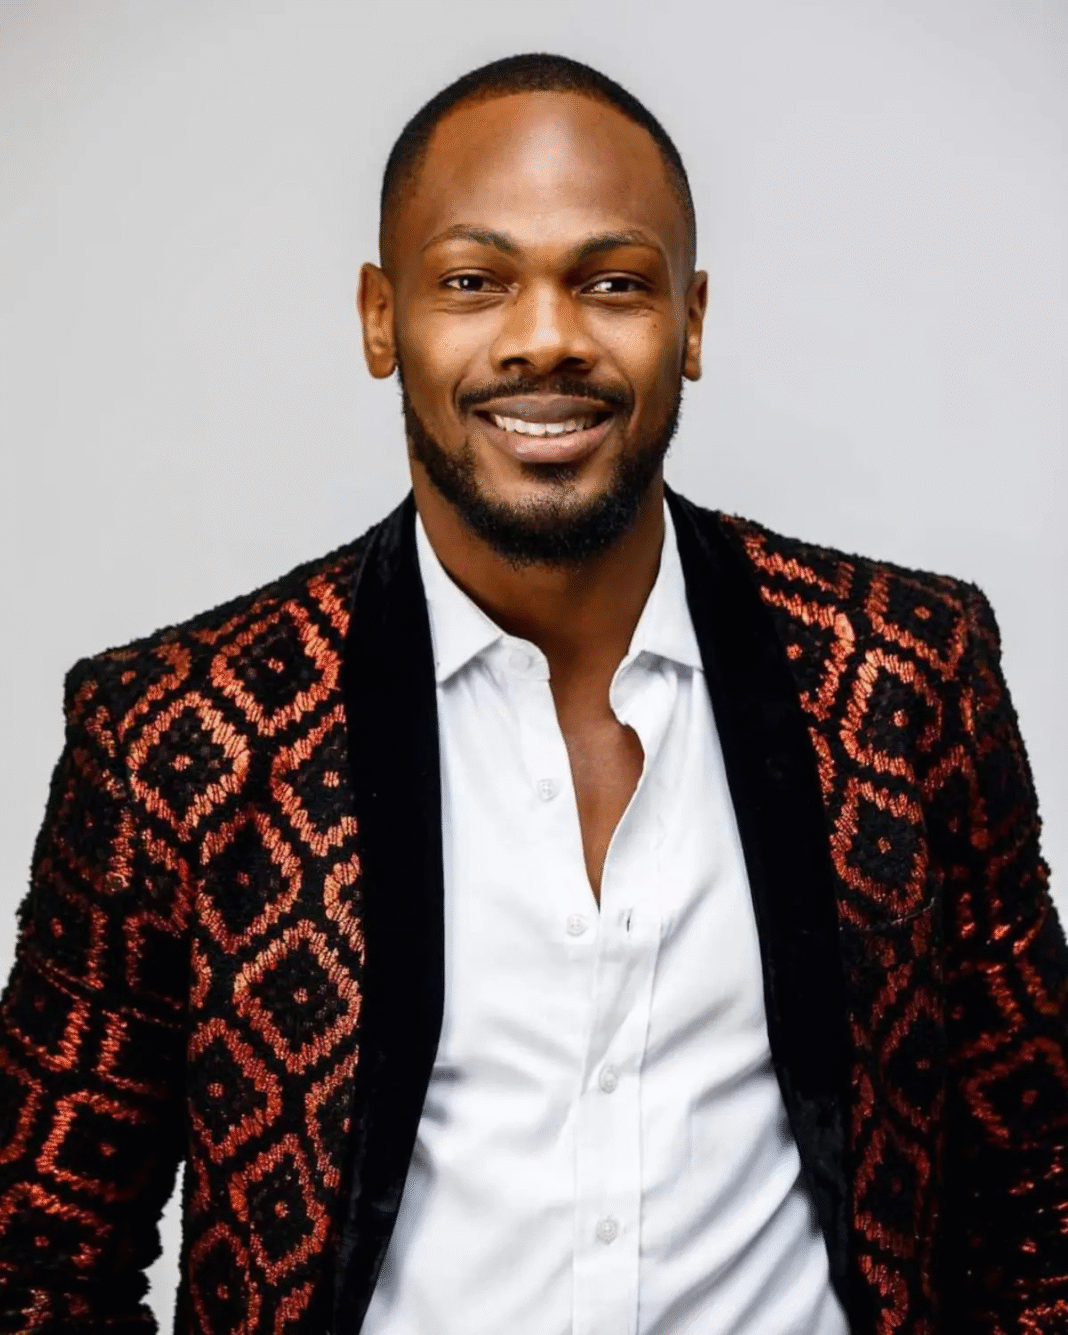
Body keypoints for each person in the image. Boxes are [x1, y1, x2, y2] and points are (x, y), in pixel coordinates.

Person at [0, 50, 1064, 1335]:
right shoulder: (181, 737)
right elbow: (36, 1264)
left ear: (692, 323)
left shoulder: (904, 675)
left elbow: (1042, 1204)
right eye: (474, 280)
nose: (547, 337)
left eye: (613, 283)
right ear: (381, 318)